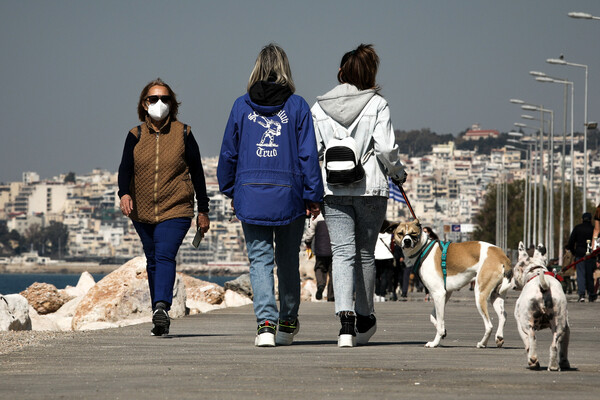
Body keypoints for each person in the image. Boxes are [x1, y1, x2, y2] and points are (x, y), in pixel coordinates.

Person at [217, 43, 323, 347]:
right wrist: (313, 194)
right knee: (288, 260)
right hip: (289, 195)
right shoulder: (298, 106)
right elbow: (308, 155)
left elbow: (229, 153)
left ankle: (265, 324)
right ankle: (287, 323)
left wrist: (229, 189)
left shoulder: (241, 106)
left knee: (259, 260)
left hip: (250, 193)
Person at [311, 44, 407, 347]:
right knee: (365, 253)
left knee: (342, 253)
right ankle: (365, 316)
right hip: (371, 189)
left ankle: (345, 323)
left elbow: (312, 151)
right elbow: (385, 148)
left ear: (341, 73)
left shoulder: (318, 108)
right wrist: (398, 173)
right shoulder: (378, 104)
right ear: (370, 74)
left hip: (334, 190)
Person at [118, 78, 210, 336]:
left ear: (172, 103)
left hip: (176, 207)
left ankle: (161, 307)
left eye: (164, 99)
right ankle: (159, 314)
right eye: (153, 99)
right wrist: (124, 193)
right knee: (153, 258)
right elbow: (125, 168)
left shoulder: (184, 133)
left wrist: (203, 210)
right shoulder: (135, 135)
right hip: (142, 209)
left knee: (164, 254)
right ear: (144, 104)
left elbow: (198, 173)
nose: (159, 103)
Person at [303, 213, 334, 301]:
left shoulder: (317, 215)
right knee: (333, 272)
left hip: (320, 249)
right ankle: (331, 295)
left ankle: (321, 285)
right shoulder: (335, 214)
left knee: (320, 268)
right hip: (334, 249)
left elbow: (310, 232)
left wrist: (307, 242)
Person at [567, 212, 597, 302]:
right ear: (591, 220)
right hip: (591, 255)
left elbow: (571, 242)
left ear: (582, 219)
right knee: (589, 275)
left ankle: (582, 294)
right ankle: (591, 294)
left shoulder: (577, 228)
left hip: (579, 255)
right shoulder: (593, 229)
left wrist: (574, 252)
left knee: (580, 275)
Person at [374, 220, 395, 302]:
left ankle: (377, 293)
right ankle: (382, 294)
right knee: (385, 276)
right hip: (387, 257)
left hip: (376, 257)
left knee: (376, 276)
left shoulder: (375, 235)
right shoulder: (390, 235)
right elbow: (392, 247)